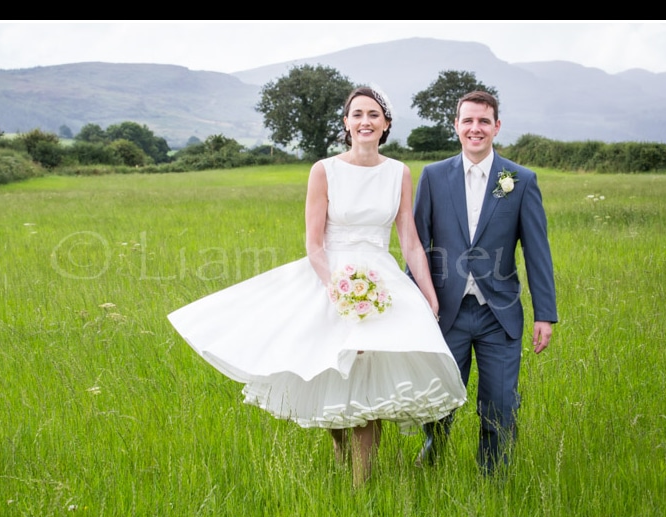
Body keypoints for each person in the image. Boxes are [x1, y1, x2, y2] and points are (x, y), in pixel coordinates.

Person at [167, 86, 466, 487]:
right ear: (346, 123)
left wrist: (428, 294)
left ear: (386, 125)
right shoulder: (324, 170)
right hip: (332, 278)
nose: (365, 121)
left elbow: (409, 239)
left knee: (370, 376)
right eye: (357, 114)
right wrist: (338, 289)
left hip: (382, 282)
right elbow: (313, 242)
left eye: (374, 115)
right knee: (332, 372)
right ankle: (341, 449)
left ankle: (363, 483)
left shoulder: (399, 172)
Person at [409, 90, 558, 477]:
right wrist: (414, 305)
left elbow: (537, 251)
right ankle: (433, 457)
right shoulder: (433, 176)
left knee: (500, 403)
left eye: (484, 121)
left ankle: (493, 477)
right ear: (456, 125)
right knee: (439, 398)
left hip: (499, 314)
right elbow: (416, 246)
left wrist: (546, 314)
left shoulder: (520, 180)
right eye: (468, 121)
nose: (475, 128)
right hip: (446, 312)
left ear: (496, 126)